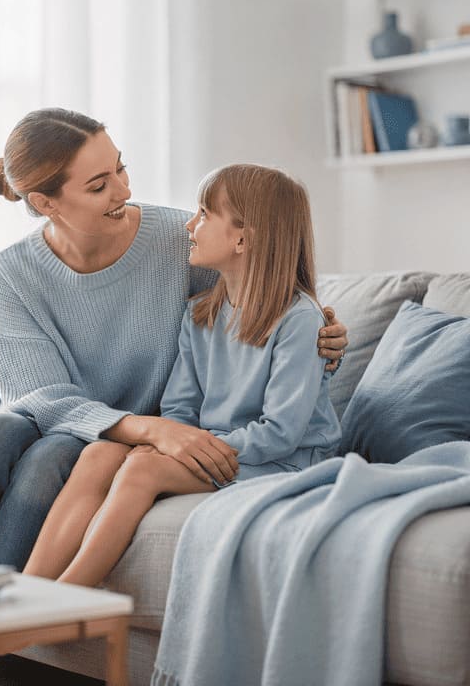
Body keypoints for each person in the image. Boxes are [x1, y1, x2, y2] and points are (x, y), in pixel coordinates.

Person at [0, 109, 347, 686]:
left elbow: (268, 295)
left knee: (54, 458)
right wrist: (151, 430)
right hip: (85, 424)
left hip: (125, 442)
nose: (124, 190)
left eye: (120, 169)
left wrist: (328, 336)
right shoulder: (11, 272)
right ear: (47, 203)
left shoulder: (180, 243)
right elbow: (35, 396)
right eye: (99, 184)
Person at [22, 163, 342, 588]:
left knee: (142, 469)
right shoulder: (200, 312)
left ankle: (64, 598)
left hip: (286, 461)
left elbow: (281, 433)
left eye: (205, 214)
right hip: (217, 451)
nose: (190, 224)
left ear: (243, 238)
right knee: (100, 453)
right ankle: (25, 594)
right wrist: (174, 440)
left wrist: (190, 450)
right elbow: (179, 406)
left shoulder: (299, 320)